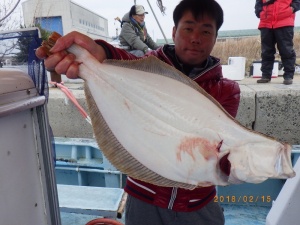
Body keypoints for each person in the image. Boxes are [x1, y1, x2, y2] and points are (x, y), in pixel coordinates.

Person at [36, 0, 240, 224]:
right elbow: (123, 61)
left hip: (198, 205)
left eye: (206, 31)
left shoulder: (227, 91)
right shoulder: (146, 65)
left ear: (215, 37)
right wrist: (98, 54)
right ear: (174, 32)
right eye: (188, 28)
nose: (195, 38)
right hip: (144, 201)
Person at [255, 0, 300, 85]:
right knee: (266, 51)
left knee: (286, 51)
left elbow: (297, 2)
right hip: (266, 23)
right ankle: (266, 75)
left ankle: (288, 76)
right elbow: (258, 3)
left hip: (285, 23)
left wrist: (291, 9)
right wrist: (259, 12)